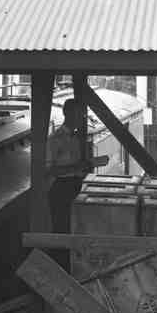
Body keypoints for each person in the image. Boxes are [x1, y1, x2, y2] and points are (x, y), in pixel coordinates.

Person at [46, 99, 90, 235]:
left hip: (76, 186)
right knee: (62, 228)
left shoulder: (77, 138)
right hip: (61, 189)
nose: (81, 118)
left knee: (76, 228)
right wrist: (76, 167)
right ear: (68, 114)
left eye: (82, 115)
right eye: (78, 114)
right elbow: (50, 170)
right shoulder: (54, 139)